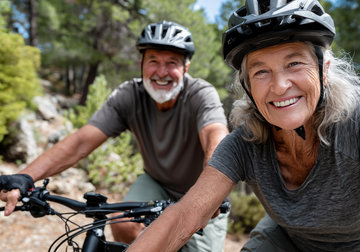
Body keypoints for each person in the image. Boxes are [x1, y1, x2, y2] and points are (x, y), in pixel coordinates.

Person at [126, 1, 360, 251]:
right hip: (289, 242)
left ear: (324, 70)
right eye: (261, 71)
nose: (280, 86)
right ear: (247, 85)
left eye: (294, 63)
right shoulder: (243, 143)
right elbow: (185, 215)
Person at [0, 21, 229, 251]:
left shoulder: (201, 94)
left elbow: (215, 137)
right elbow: (80, 142)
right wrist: (26, 177)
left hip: (203, 191)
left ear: (185, 68)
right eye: (153, 61)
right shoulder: (129, 95)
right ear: (141, 64)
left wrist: (210, 194)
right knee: (123, 221)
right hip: (156, 183)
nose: (161, 72)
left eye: (172, 63)